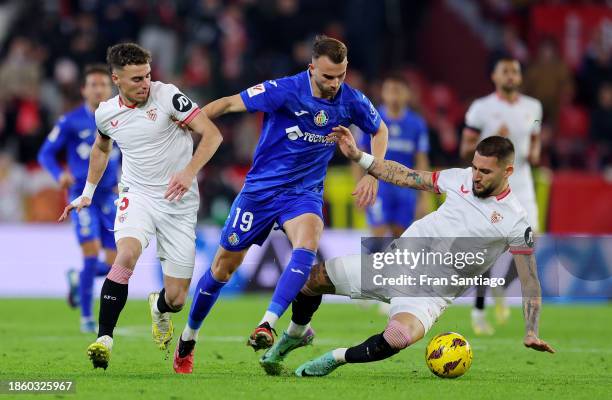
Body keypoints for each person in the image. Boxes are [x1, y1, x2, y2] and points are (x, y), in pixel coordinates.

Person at [173, 35, 388, 374]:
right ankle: (188, 339)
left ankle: (267, 324)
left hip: (303, 193)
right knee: (221, 271)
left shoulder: (352, 100)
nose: (335, 84)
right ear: (311, 68)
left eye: (341, 76)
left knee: (308, 241)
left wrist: (372, 170)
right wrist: (189, 123)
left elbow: (380, 129)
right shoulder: (284, 90)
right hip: (259, 192)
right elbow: (229, 104)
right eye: (328, 76)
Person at [259, 132, 555, 377]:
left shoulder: (516, 220)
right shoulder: (459, 178)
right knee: (312, 279)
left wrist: (531, 330)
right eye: (475, 167)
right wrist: (360, 157)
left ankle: (335, 358)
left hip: (429, 295)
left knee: (397, 337)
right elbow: (407, 176)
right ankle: (297, 334)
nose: (476, 176)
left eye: (485, 171)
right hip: (394, 263)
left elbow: (529, 280)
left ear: (508, 172)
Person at [58, 43, 223, 369]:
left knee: (176, 299)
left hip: (179, 202)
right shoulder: (105, 113)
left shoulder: (168, 96)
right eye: (136, 79)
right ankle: (104, 339)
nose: (145, 83)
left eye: (147, 75)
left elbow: (212, 135)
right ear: (116, 79)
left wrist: (189, 172)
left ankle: (159, 308)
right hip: (138, 196)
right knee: (127, 255)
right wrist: (88, 191)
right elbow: (101, 150)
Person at [460, 58, 542, 335]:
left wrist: (535, 151)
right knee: (488, 250)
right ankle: (479, 311)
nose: (511, 75)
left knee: (531, 244)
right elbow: (464, 150)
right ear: (494, 75)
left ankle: (502, 288)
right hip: (493, 186)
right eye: (505, 71)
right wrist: (493, 143)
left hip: (523, 184)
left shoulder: (534, 107)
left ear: (520, 77)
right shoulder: (481, 108)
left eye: (515, 71)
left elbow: (535, 136)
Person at [38, 64, 119, 333]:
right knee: (90, 254)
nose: (99, 89)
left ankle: (77, 279)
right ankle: (86, 317)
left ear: (111, 88)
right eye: (93, 84)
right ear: (84, 90)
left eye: (103, 84)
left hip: (109, 197)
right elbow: (46, 153)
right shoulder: (70, 121)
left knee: (114, 263)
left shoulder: (122, 118)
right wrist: (58, 174)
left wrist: (124, 182)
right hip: (81, 196)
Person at [358, 74, 430, 238]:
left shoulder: (416, 124)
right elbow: (358, 157)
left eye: (397, 91)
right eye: (389, 90)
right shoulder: (371, 119)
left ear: (407, 94)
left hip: (405, 189)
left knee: (401, 238)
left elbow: (421, 160)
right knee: (378, 236)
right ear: (383, 94)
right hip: (379, 188)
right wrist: (359, 186)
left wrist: (423, 197)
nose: (393, 95)